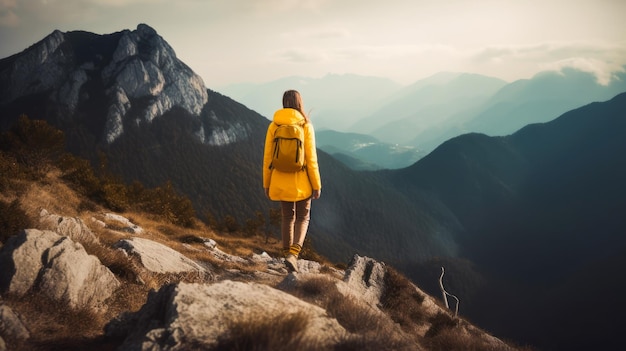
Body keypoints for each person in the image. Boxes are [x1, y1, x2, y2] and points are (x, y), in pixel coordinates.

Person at [263, 90, 322, 272]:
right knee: (303, 217)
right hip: (302, 182)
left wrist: (267, 183)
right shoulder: (305, 126)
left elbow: (267, 158)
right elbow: (311, 159)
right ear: (299, 104)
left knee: (287, 217)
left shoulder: (274, 125)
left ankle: (286, 254)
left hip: (280, 181)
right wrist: (317, 185)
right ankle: (294, 255)